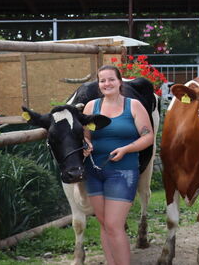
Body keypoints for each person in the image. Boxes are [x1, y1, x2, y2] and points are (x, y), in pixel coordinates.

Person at [82, 65, 154, 265]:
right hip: (94, 171)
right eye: (102, 80)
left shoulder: (133, 106)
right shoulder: (91, 107)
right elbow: (85, 136)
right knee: (104, 224)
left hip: (122, 173)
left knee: (114, 225)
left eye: (111, 79)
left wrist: (126, 149)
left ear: (120, 81)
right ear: (99, 84)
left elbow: (148, 137)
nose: (107, 84)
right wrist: (86, 145)